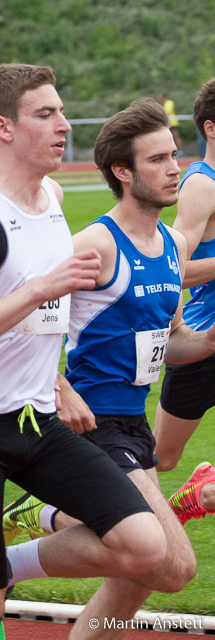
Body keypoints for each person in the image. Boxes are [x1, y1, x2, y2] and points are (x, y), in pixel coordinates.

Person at [0, 64, 166, 640]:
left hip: (38, 421)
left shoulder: (52, 194)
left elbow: (40, 326)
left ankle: (6, 563)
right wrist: (39, 290)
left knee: (143, 544)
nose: (65, 124)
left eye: (61, 111)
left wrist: (58, 383)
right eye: (46, 114)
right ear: (3, 127)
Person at [1, 99, 201, 638]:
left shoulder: (173, 244)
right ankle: (2, 566)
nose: (174, 167)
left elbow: (176, 342)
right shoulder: (93, 245)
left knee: (140, 573)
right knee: (174, 566)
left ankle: (42, 522)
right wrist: (60, 388)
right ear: (123, 171)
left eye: (174, 156)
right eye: (157, 159)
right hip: (92, 425)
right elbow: (23, 320)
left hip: (134, 425)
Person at [153, 79, 215, 474]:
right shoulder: (202, 186)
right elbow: (174, 270)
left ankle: (201, 495)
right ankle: (44, 510)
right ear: (211, 127)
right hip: (202, 344)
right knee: (159, 460)